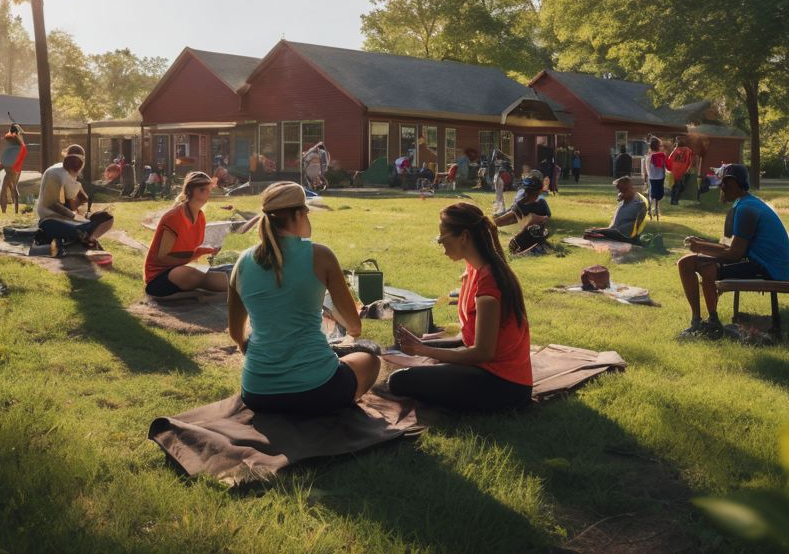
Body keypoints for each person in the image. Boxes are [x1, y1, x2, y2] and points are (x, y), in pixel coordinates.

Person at [228, 182, 380, 414]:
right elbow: (354, 326)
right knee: (370, 361)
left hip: (257, 394)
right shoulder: (320, 256)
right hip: (317, 390)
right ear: (301, 214)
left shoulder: (242, 262)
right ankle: (340, 404)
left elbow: (237, 335)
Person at [387, 202, 532, 412]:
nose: (440, 244)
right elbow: (467, 339)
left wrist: (424, 350)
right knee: (420, 366)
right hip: (488, 370)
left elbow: (482, 352)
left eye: (442, 238)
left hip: (505, 385)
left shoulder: (488, 284)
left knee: (399, 381)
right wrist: (425, 345)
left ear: (464, 237)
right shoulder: (474, 271)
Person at [675, 163, 789, 340]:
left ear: (740, 185)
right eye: (722, 182)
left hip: (768, 267)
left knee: (696, 265)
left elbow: (734, 254)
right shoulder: (744, 203)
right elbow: (730, 248)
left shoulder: (746, 209)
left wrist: (701, 249)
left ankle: (703, 324)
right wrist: (702, 245)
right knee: (692, 262)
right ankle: (707, 321)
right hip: (762, 262)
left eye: (728, 183)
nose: (722, 187)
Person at [144, 171, 229, 298]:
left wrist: (205, 251)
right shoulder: (174, 217)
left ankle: (234, 284)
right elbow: (163, 257)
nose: (207, 193)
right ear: (190, 191)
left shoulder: (200, 217)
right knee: (194, 274)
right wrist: (191, 259)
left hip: (181, 270)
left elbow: (187, 250)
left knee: (215, 272)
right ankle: (230, 284)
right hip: (159, 278)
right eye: (202, 189)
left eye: (208, 189)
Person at [37, 150, 113, 253]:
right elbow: (51, 204)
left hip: (61, 218)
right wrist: (74, 216)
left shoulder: (64, 171)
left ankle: (87, 237)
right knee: (105, 220)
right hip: (50, 221)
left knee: (104, 218)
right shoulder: (55, 174)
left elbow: (74, 199)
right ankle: (88, 238)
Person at [496, 174, 551, 254]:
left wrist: (534, 219)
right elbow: (510, 218)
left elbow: (545, 218)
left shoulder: (539, 204)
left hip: (532, 238)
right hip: (526, 239)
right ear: (539, 191)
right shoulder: (521, 205)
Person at [584, 176, 649, 244]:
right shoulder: (624, 201)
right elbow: (615, 225)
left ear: (628, 189)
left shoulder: (639, 203)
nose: (619, 193)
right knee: (590, 231)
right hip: (616, 231)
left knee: (591, 233)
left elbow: (638, 225)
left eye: (621, 191)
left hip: (624, 234)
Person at [0, 124, 28, 214]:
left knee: (5, 190)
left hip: (12, 170)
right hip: (12, 169)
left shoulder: (16, 141)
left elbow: (9, 138)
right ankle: (14, 211)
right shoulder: (16, 142)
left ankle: (6, 212)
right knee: (13, 189)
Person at [642, 137, 668, 221]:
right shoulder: (662, 155)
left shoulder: (649, 156)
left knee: (651, 195)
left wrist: (645, 178)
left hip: (652, 178)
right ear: (658, 146)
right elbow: (664, 167)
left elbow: (646, 169)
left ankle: (650, 212)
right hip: (660, 177)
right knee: (658, 196)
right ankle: (656, 212)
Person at [667, 135, 693, 206]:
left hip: (681, 171)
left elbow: (690, 161)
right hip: (677, 172)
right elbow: (669, 160)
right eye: (677, 140)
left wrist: (688, 169)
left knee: (678, 186)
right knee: (677, 186)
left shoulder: (687, 150)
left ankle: (674, 200)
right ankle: (674, 200)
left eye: (678, 140)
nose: (677, 141)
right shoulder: (676, 150)